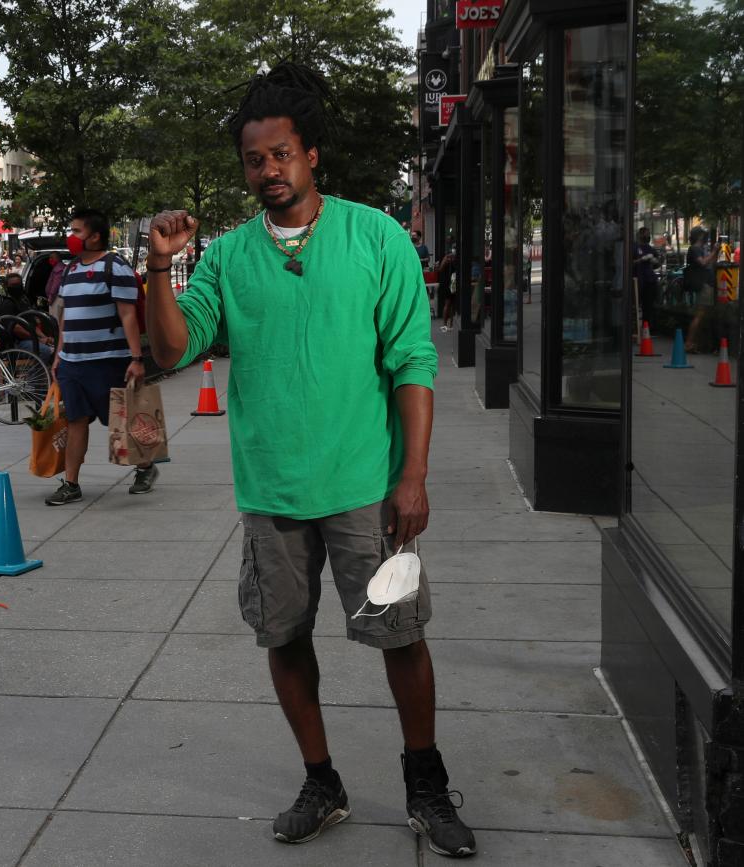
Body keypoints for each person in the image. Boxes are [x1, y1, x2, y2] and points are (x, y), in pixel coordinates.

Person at [143, 63, 474, 859]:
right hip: (272, 492)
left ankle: (425, 783)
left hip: (366, 489)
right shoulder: (224, 258)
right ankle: (320, 780)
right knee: (283, 637)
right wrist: (159, 264)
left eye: (281, 154)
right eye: (255, 159)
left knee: (400, 636)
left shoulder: (376, 237)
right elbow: (172, 348)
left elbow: (412, 362)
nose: (269, 171)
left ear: (311, 154)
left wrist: (414, 474)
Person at [45, 207, 157, 506]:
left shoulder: (115, 267)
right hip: (72, 362)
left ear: (95, 236)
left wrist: (136, 359)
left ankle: (145, 467)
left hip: (109, 359)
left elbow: (128, 315)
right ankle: (71, 483)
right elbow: (65, 317)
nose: (72, 237)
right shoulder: (69, 270)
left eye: (77, 231)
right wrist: (59, 355)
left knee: (122, 420)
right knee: (76, 421)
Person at [0, 272, 54, 363]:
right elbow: (16, 329)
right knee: (45, 351)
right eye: (13, 285)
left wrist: (46, 338)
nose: (16, 287)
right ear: (6, 287)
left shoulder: (23, 301)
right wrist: (39, 340)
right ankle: (33, 376)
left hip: (26, 340)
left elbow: (32, 324)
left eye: (18, 284)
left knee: (56, 347)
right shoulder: (7, 304)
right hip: (13, 344)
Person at [685, 226, 719, 353]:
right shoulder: (694, 249)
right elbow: (703, 263)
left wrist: (715, 252)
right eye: (703, 235)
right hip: (703, 285)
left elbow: (710, 263)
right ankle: (689, 343)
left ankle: (696, 344)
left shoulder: (701, 249)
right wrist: (714, 251)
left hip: (707, 283)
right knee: (699, 314)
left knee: (703, 315)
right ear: (699, 236)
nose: (706, 237)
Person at [632, 227, 662, 327]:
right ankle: (635, 326)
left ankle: (647, 327)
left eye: (648, 234)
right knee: (635, 305)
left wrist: (655, 261)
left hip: (650, 281)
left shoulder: (651, 249)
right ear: (640, 235)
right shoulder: (635, 248)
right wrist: (641, 259)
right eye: (645, 234)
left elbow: (657, 264)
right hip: (638, 280)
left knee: (648, 306)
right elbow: (629, 263)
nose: (647, 236)